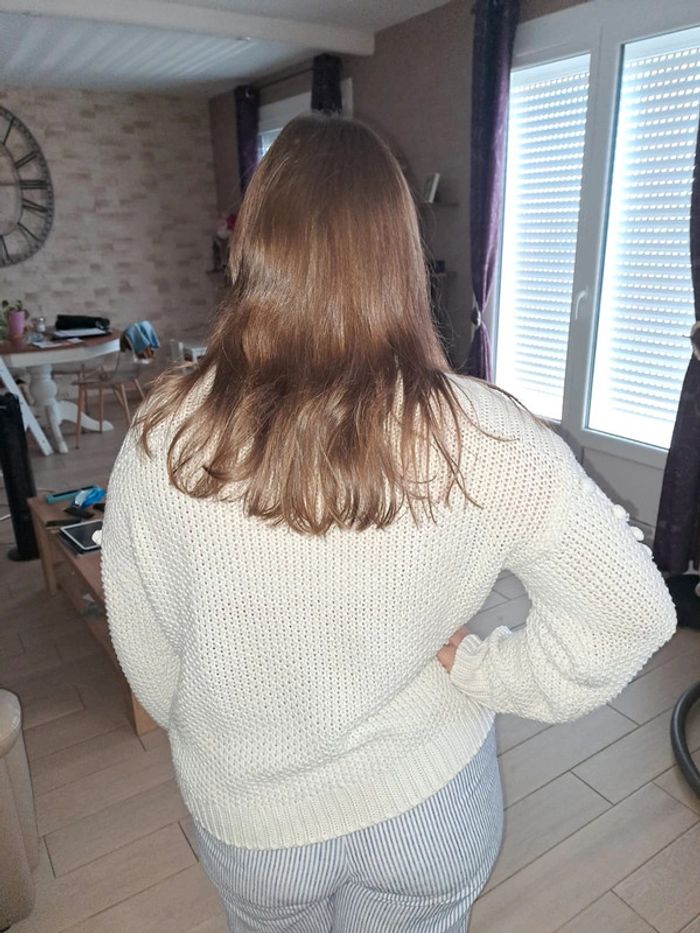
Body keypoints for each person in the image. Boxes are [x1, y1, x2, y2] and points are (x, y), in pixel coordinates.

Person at [101, 114, 676, 933]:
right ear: (399, 253)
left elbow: (149, 654)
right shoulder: (487, 434)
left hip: (254, 823)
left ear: (252, 249)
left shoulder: (163, 438)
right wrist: (487, 672)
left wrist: (219, 727)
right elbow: (631, 612)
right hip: (428, 806)